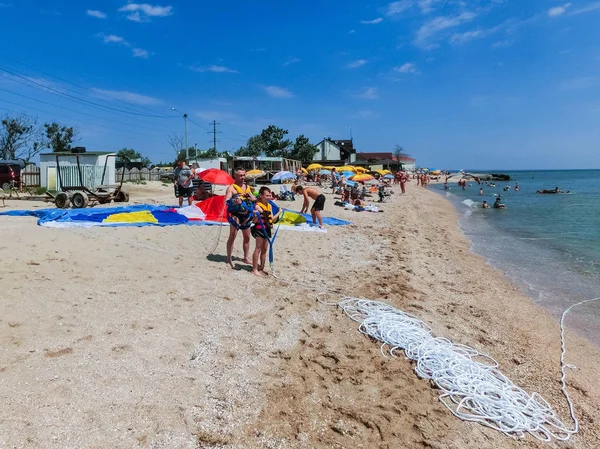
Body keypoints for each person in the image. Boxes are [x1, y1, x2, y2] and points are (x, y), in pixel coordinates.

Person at [225, 168, 257, 267]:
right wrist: (234, 201)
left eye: (244, 175)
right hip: (236, 214)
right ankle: (229, 257)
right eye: (240, 175)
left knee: (247, 237)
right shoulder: (231, 188)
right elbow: (227, 200)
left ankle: (245, 257)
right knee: (232, 236)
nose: (243, 177)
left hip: (246, 215)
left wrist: (253, 199)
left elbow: (255, 200)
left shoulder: (248, 187)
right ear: (235, 176)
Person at [251, 186, 281, 276]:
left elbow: (271, 218)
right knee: (258, 248)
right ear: (261, 195)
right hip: (260, 229)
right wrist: (257, 214)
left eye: (270, 195)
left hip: (267, 229)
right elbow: (258, 217)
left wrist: (279, 212)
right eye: (267, 195)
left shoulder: (269, 205)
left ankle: (261, 267)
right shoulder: (257, 205)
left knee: (265, 249)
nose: (269, 197)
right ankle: (254, 269)